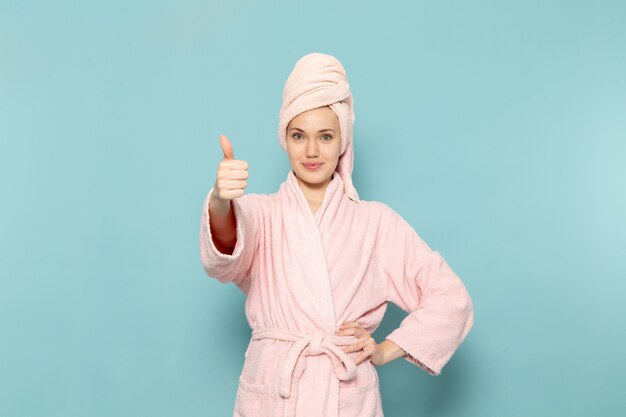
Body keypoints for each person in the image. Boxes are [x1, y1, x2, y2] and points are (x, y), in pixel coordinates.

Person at [199, 52, 474, 417]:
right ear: (285, 139)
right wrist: (220, 201)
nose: (312, 151)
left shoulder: (376, 223)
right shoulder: (260, 212)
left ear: (342, 141)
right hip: (273, 394)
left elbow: (450, 299)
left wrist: (386, 348)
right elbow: (224, 257)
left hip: (345, 397)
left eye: (325, 136)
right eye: (299, 136)